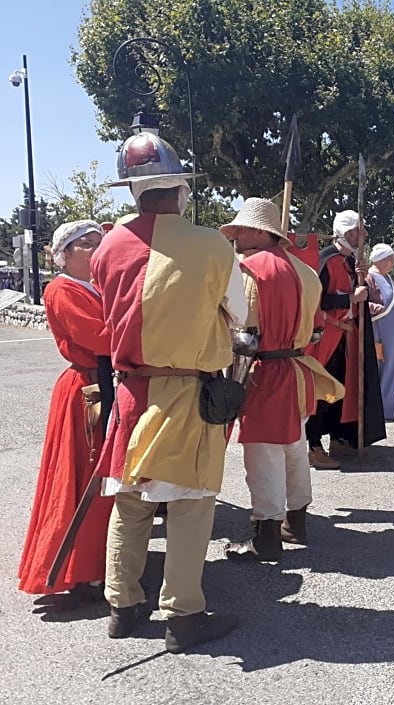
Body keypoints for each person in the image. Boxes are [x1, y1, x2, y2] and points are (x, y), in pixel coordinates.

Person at [92, 130, 247, 653]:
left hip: (131, 392)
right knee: (189, 505)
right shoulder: (212, 245)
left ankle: (122, 605)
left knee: (130, 502)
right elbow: (241, 314)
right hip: (187, 392)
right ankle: (183, 616)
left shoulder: (106, 246)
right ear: (180, 190)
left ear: (133, 192)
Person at [219, 199, 343, 562]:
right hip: (297, 370)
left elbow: (242, 332)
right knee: (293, 449)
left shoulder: (249, 270)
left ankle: (267, 536)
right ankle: (296, 521)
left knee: (264, 456)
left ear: (261, 231)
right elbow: (317, 329)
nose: (236, 235)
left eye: (240, 229)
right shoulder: (306, 273)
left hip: (265, 374)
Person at [18, 220, 113, 601]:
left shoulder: (100, 287)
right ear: (65, 254)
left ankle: (102, 560)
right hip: (86, 388)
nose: (95, 249)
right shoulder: (61, 289)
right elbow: (99, 337)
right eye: (86, 244)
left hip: (106, 381)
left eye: (98, 243)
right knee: (85, 475)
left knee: (105, 476)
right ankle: (82, 567)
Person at [305, 211, 385, 468]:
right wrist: (351, 298)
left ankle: (339, 437)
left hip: (347, 334)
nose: (364, 235)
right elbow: (320, 300)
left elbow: (361, 295)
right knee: (322, 390)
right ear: (347, 232)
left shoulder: (352, 261)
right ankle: (314, 445)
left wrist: (363, 281)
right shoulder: (326, 261)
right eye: (359, 231)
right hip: (328, 335)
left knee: (345, 389)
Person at [367, 243, 394, 421]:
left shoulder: (388, 277)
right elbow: (361, 302)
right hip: (380, 333)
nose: (392, 262)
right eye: (389, 259)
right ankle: (380, 408)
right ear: (381, 260)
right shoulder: (369, 277)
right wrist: (375, 308)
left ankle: (391, 406)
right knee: (381, 367)